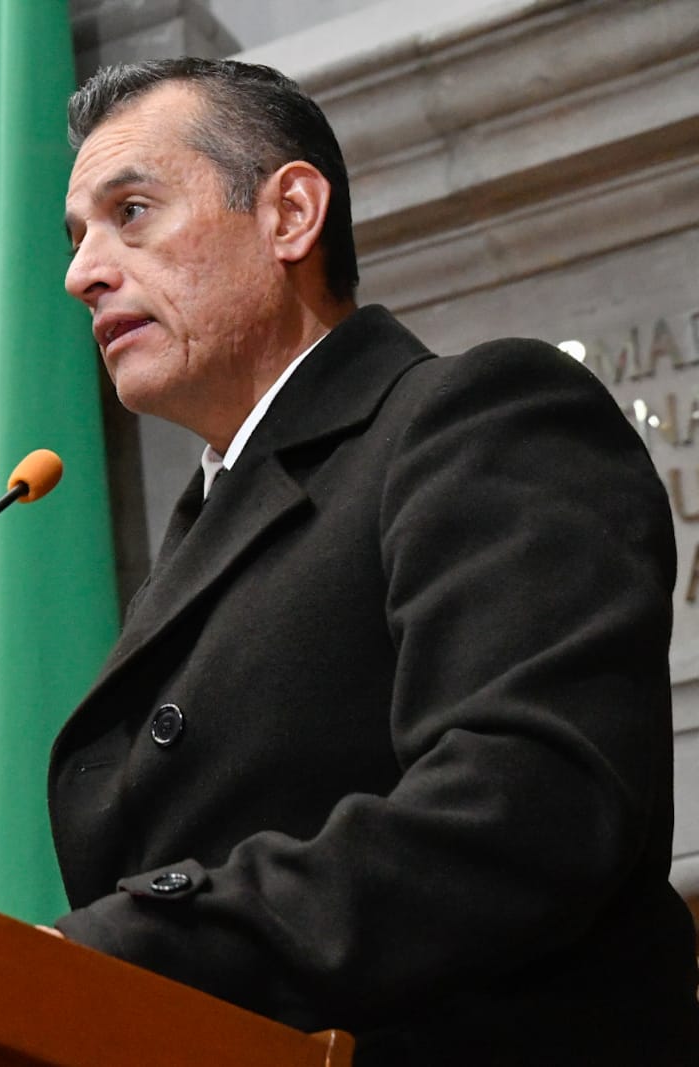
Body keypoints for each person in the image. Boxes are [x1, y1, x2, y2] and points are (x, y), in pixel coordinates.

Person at [47, 58, 699, 1064]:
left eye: (131, 212)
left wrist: (130, 950)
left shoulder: (477, 418)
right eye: (78, 235)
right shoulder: (208, 523)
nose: (83, 272)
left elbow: (528, 807)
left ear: (290, 214)